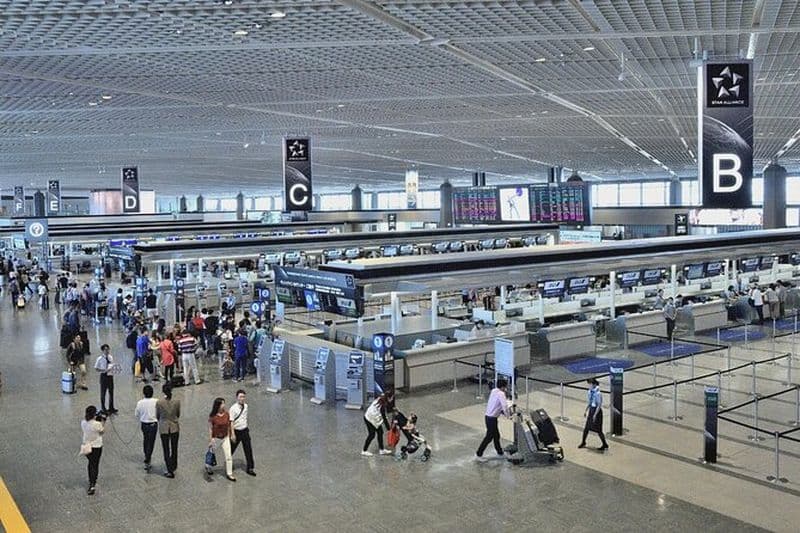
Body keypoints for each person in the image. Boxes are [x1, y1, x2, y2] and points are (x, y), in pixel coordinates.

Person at [475, 377, 511, 462]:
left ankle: (500, 452)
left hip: (488, 417)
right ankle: (479, 454)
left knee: (496, 435)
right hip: (492, 419)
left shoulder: (494, 391)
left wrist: (501, 411)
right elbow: (504, 406)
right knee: (489, 437)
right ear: (503, 387)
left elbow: (496, 404)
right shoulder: (501, 394)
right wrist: (508, 415)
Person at [207, 397, 236, 481]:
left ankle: (229, 473)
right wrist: (211, 439)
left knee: (228, 456)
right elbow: (210, 428)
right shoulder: (213, 416)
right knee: (211, 453)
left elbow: (229, 425)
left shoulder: (227, 414)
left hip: (225, 437)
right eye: (222, 403)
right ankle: (208, 466)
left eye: (224, 403)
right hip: (216, 438)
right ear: (218, 405)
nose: (224, 405)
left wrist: (231, 435)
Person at [229, 389, 256, 476]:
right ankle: (228, 465)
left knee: (248, 449)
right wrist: (232, 434)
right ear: (237, 397)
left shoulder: (246, 406)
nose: (242, 398)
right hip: (236, 431)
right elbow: (231, 422)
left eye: (243, 397)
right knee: (230, 450)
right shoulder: (233, 408)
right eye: (240, 397)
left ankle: (250, 468)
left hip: (244, 430)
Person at [156, 384, 180, 478]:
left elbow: (158, 415)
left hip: (164, 427)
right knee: (174, 448)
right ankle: (174, 465)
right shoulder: (177, 401)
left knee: (166, 448)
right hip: (174, 427)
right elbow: (178, 414)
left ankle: (169, 469)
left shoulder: (159, 403)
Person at [578, 378, 608, 451]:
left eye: (590, 384)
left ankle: (604, 444)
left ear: (594, 384)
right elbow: (589, 402)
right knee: (586, 428)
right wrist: (586, 410)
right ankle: (583, 442)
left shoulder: (598, 393)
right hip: (591, 410)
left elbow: (599, 405)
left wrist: (595, 414)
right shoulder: (589, 392)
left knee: (599, 429)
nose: (589, 386)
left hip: (597, 411)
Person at [81, 406, 105, 495]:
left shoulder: (83, 422)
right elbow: (102, 431)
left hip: (87, 446)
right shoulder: (97, 424)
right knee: (95, 464)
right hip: (96, 446)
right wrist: (102, 421)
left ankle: (90, 479)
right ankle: (93, 482)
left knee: (90, 463)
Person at [134, 384, 158, 472]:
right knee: (151, 442)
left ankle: (146, 456)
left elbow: (136, 414)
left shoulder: (140, 403)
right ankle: (148, 457)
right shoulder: (156, 401)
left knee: (145, 440)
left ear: (143, 393)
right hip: (153, 424)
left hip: (144, 424)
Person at [94, 344, 118, 415]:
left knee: (111, 392)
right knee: (103, 393)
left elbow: (112, 364)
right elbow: (96, 368)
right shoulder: (99, 359)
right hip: (104, 376)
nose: (107, 351)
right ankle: (103, 408)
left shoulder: (110, 357)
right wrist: (103, 370)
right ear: (103, 351)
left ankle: (111, 407)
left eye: (108, 349)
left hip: (110, 376)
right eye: (105, 350)